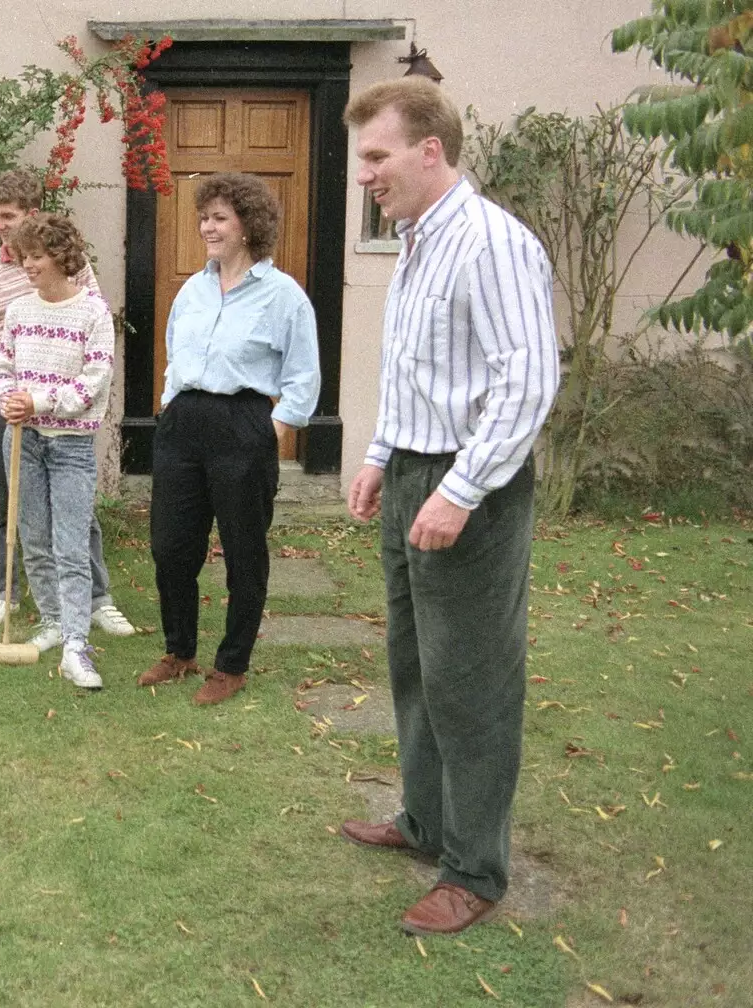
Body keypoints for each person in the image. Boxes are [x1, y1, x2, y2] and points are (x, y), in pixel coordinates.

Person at [339, 78, 559, 936]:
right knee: (414, 665)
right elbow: (417, 371)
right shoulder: (419, 241)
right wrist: (378, 457)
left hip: (472, 487)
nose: (366, 174)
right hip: (411, 479)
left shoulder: (491, 243)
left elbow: (525, 381)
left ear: (431, 151)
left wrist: (460, 490)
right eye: (364, 158)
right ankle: (425, 821)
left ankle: (474, 867)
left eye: (376, 156)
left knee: (470, 678)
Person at [138, 173, 321, 705]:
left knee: (244, 551)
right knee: (170, 546)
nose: (207, 227)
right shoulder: (192, 289)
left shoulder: (283, 295)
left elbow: (303, 376)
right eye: (204, 217)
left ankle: (232, 664)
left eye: (220, 218)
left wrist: (274, 430)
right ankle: (179, 650)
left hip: (243, 425)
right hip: (183, 423)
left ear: (249, 226)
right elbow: (175, 354)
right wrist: (171, 405)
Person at [0, 169, 134, 648]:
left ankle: (96, 600)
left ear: (32, 216)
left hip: (62, 414)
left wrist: (48, 398)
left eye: (7, 216)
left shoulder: (74, 273)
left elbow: (90, 335)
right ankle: (7, 594)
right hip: (5, 401)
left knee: (75, 516)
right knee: (3, 499)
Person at [0, 213, 116, 689]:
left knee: (71, 545)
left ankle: (77, 645)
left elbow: (94, 383)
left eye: (36, 256)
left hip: (71, 446)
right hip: (21, 439)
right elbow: (1, 365)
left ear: (63, 257)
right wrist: (7, 399)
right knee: (34, 539)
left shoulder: (93, 313)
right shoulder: (19, 311)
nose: (28, 265)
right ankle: (51, 621)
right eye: (23, 257)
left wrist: (38, 400)